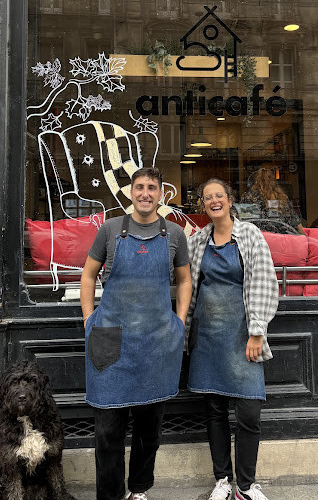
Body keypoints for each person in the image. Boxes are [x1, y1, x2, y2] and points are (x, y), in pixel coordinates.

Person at [80, 167, 192, 500]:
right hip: (107, 336)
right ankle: (111, 495)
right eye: (140, 187)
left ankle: (139, 490)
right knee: (107, 430)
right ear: (131, 192)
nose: (145, 194)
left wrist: (179, 321)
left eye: (152, 188)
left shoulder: (174, 234)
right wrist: (89, 319)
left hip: (156, 340)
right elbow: (88, 276)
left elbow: (184, 281)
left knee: (148, 429)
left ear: (161, 195)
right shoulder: (111, 230)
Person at [186, 178, 279, 500]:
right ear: (202, 204)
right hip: (208, 336)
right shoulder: (197, 241)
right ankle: (222, 480)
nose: (214, 201)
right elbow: (187, 286)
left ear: (230, 200)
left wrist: (256, 331)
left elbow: (265, 283)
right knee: (214, 410)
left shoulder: (250, 235)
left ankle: (247, 484)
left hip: (242, 333)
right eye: (207, 197)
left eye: (219, 196)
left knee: (249, 412)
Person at [240, 166, 305, 235]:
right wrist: (306, 238)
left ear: (255, 181)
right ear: (273, 181)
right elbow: (295, 221)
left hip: (261, 238)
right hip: (284, 237)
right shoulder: (281, 196)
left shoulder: (249, 196)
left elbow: (246, 221)